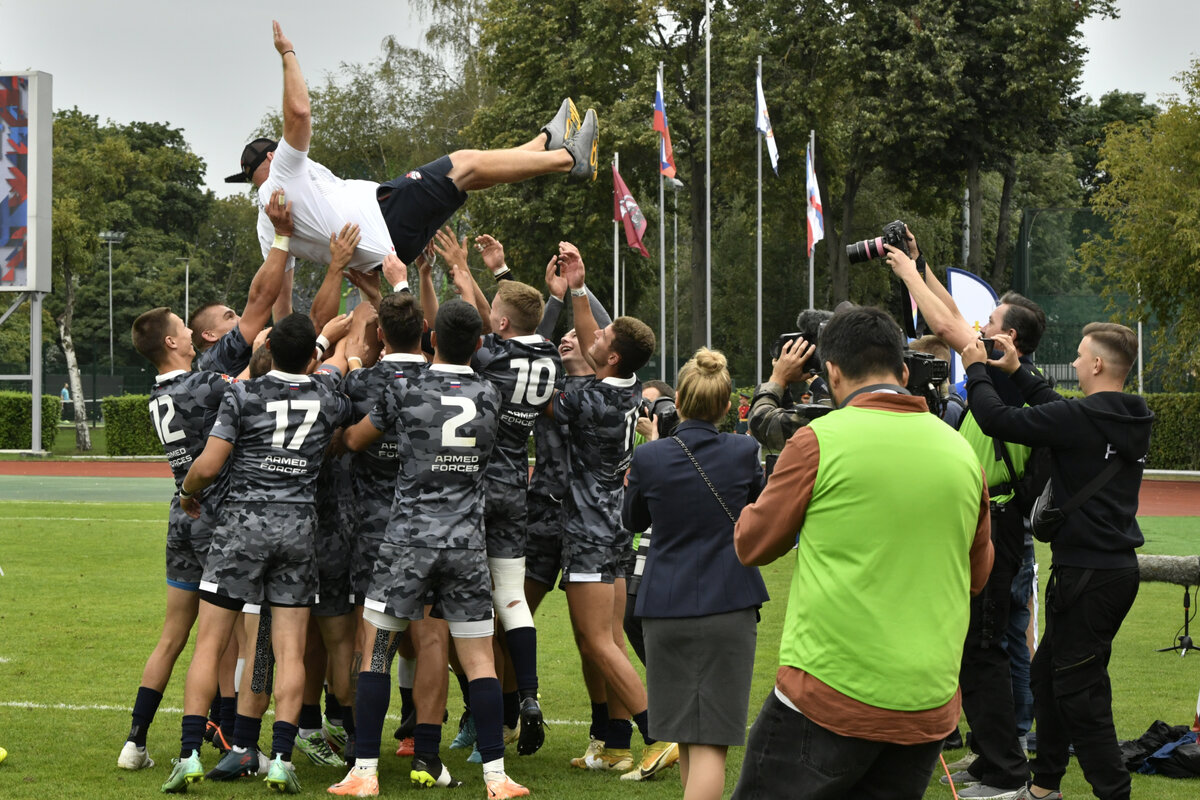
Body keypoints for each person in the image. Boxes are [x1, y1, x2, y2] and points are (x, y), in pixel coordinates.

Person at [731, 306, 993, 800]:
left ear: (831, 373)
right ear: (904, 370)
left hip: (830, 695)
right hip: (926, 701)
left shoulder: (818, 441)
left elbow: (752, 544)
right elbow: (978, 575)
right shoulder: (961, 452)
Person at [117, 190, 292, 773]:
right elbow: (257, 303)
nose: (195, 336)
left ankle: (136, 741)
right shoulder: (200, 384)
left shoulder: (159, 396)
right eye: (184, 331)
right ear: (171, 341)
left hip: (180, 514)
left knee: (174, 636)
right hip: (217, 515)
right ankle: (233, 738)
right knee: (235, 637)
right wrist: (282, 240)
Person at [335, 299, 528, 799]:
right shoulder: (490, 394)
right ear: (478, 345)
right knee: (480, 660)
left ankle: (364, 772)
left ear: (431, 339)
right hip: (466, 541)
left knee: (376, 653)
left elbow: (357, 437)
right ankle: (497, 777)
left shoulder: (404, 386)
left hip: (408, 540)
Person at [225, 21, 599, 273]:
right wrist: (287, 53)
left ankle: (543, 142)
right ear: (274, 155)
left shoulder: (267, 226)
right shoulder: (281, 175)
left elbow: (278, 293)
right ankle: (569, 159)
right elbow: (300, 112)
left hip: (388, 245)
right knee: (465, 164)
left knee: (464, 177)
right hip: (384, 217)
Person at [162, 311, 355, 794]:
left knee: (209, 643)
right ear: (311, 355)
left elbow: (207, 465)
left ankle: (188, 756)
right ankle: (281, 759)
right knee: (291, 650)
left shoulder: (243, 393)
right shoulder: (327, 395)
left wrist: (188, 490)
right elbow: (337, 369)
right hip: (297, 532)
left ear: (266, 349)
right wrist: (338, 341)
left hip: (241, 530)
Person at [962, 323, 1152, 800]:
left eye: (1080, 353)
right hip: (1107, 572)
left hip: (1087, 576)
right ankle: (1044, 788)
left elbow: (997, 420)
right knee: (1048, 677)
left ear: (1096, 365)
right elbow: (1060, 407)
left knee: (1080, 695)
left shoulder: (1082, 419)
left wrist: (976, 369)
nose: (1073, 359)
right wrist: (1017, 368)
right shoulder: (1130, 416)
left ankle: (1114, 793)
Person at [886, 237, 1047, 798]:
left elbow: (951, 326)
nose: (979, 326)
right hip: (984, 525)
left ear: (1011, 340)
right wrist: (921, 264)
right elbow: (953, 318)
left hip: (997, 527)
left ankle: (1005, 770)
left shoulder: (1006, 382)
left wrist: (908, 272)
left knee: (984, 651)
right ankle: (990, 758)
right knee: (977, 646)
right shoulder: (1000, 374)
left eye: (991, 322)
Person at [548, 243, 677, 781]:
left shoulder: (589, 399)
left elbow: (555, 395)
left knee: (599, 641)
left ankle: (658, 732)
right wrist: (578, 286)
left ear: (613, 358)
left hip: (590, 531)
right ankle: (617, 744)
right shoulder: (630, 395)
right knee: (605, 640)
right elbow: (595, 352)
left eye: (600, 338)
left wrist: (565, 310)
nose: (589, 336)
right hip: (616, 528)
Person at [623, 347, 768, 800]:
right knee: (707, 743)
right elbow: (759, 512)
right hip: (728, 604)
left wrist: (650, 452)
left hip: (664, 607)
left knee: (691, 736)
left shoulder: (650, 457)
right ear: (727, 406)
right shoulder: (744, 451)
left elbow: (633, 520)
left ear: (678, 403)